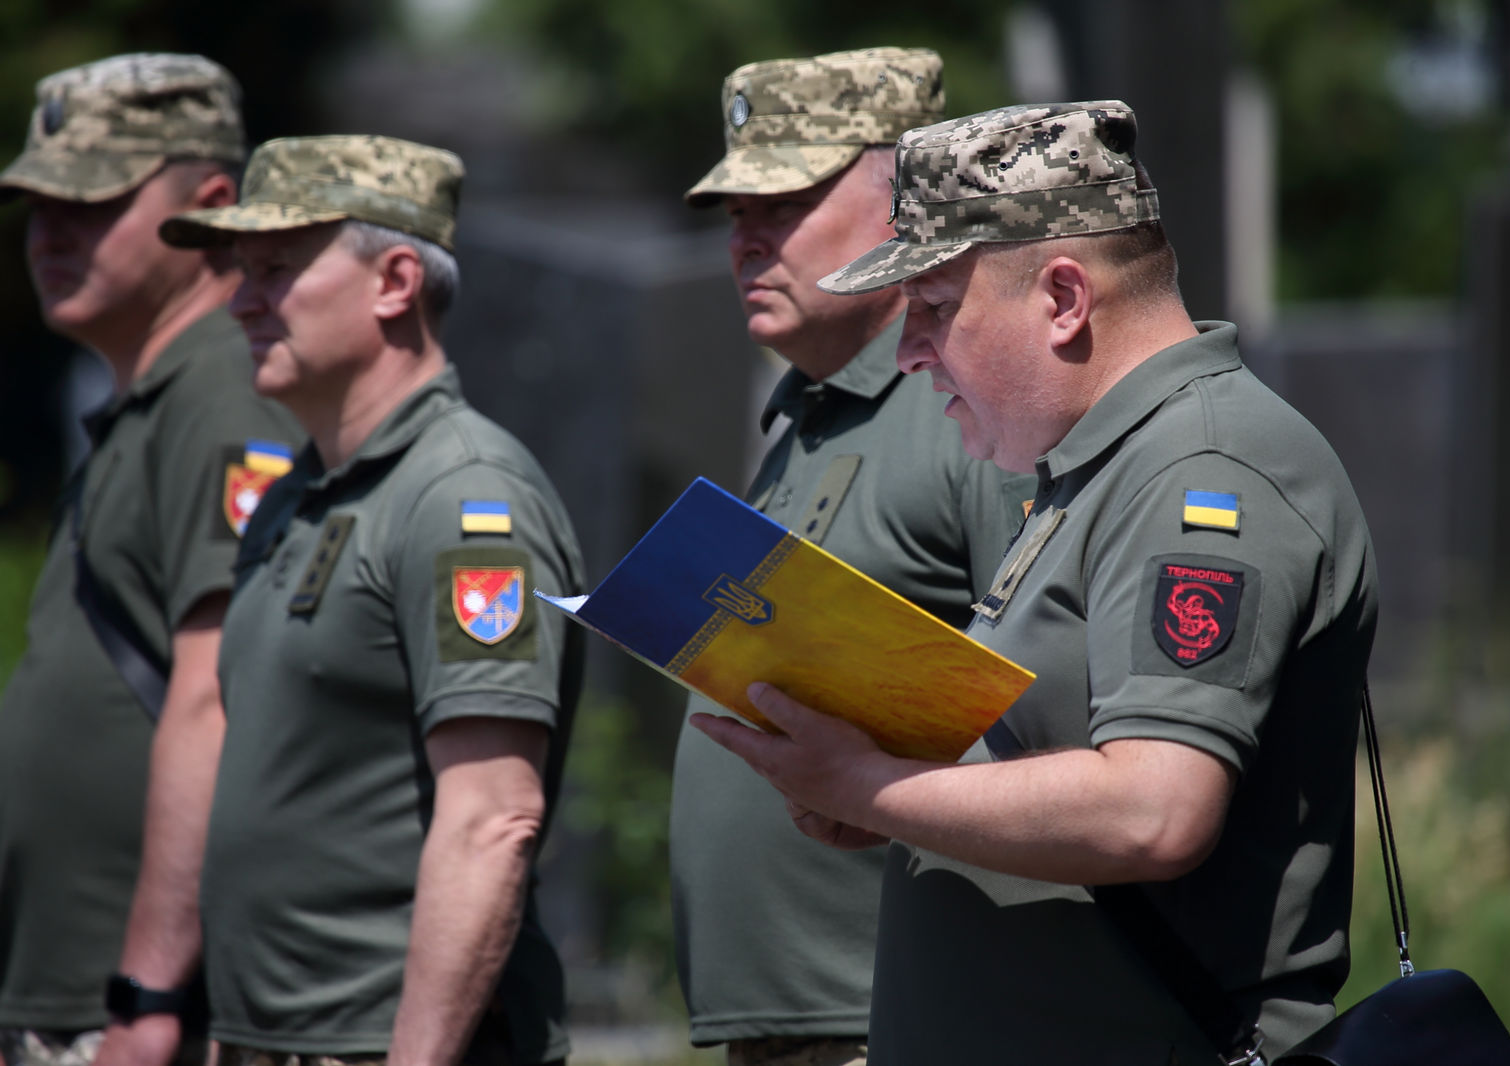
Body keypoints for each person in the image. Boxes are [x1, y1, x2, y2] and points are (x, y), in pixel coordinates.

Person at [693, 101, 1379, 1064]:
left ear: (1064, 298)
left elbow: (1152, 811)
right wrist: (905, 803)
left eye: (935, 307)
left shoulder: (1202, 471)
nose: (910, 351)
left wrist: (870, 786)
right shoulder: (1099, 465)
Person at [157, 134, 585, 1066]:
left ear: (395, 282)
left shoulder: (464, 497)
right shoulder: (295, 495)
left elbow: (492, 820)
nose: (241, 301)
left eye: (276, 269)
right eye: (242, 271)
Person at [672, 47, 1031, 1066]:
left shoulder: (969, 411)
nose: (748, 240)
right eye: (735, 214)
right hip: (792, 1027)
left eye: (784, 203)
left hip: (909, 1020)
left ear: (901, 206)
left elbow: (1053, 718)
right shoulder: (806, 415)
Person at [0, 53, 301, 1066]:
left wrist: (148, 992)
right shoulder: (149, 401)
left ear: (211, 209)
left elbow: (217, 697)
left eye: (91, 204)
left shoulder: (221, 393)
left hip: (140, 1014)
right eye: (39, 207)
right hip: (78, 1000)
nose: (50, 234)